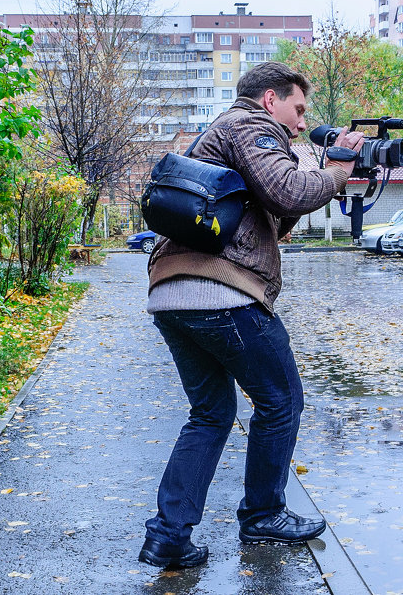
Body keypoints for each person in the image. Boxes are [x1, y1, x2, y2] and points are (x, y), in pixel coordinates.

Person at [138, 61, 364, 569]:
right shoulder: (251, 126)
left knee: (212, 413)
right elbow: (288, 191)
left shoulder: (220, 135)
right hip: (221, 294)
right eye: (298, 108)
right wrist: (341, 166)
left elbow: (276, 215)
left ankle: (168, 536)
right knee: (281, 400)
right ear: (270, 100)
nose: (303, 122)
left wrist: (317, 169)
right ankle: (263, 513)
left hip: (170, 295)